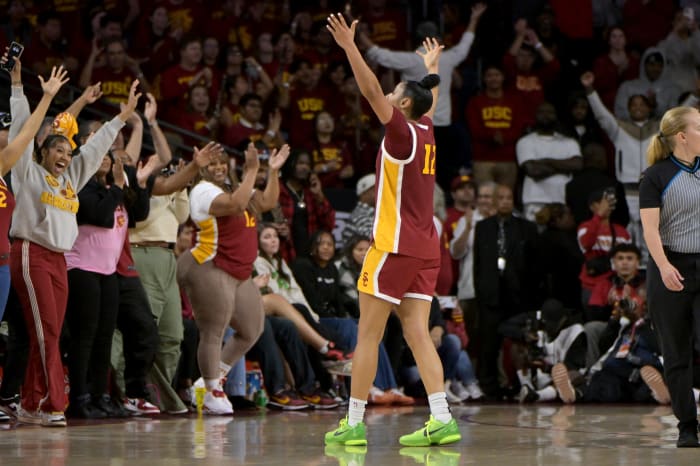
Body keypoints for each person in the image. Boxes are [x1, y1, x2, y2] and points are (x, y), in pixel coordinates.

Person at [324, 13, 460, 447]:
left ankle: (354, 423)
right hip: (427, 250)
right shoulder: (426, 126)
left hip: (394, 246)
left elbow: (367, 89)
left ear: (401, 106)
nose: (389, 91)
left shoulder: (401, 133)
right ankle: (442, 417)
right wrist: (432, 68)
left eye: (395, 91)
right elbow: (430, 98)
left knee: (368, 335)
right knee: (418, 333)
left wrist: (350, 46)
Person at [10, 69, 141, 427]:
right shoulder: (28, 172)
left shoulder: (70, 181)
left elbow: (97, 147)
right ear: (43, 150)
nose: (66, 156)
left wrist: (122, 118)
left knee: (49, 333)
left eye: (69, 152)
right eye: (58, 149)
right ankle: (55, 404)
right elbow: (22, 129)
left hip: (59, 260)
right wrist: (19, 87)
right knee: (48, 330)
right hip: (31, 252)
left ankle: (30, 403)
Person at [177, 143, 290, 414]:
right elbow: (237, 204)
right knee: (213, 330)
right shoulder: (202, 191)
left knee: (252, 329)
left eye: (222, 162)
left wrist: (272, 172)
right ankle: (212, 390)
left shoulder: (233, 188)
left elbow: (266, 202)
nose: (218, 168)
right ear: (201, 169)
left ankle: (206, 382)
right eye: (211, 164)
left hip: (239, 271)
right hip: (208, 265)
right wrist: (251, 170)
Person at [639, 105, 700, 447]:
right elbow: (650, 230)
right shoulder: (655, 176)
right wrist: (663, 266)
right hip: (670, 266)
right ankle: (688, 426)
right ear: (682, 137)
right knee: (676, 353)